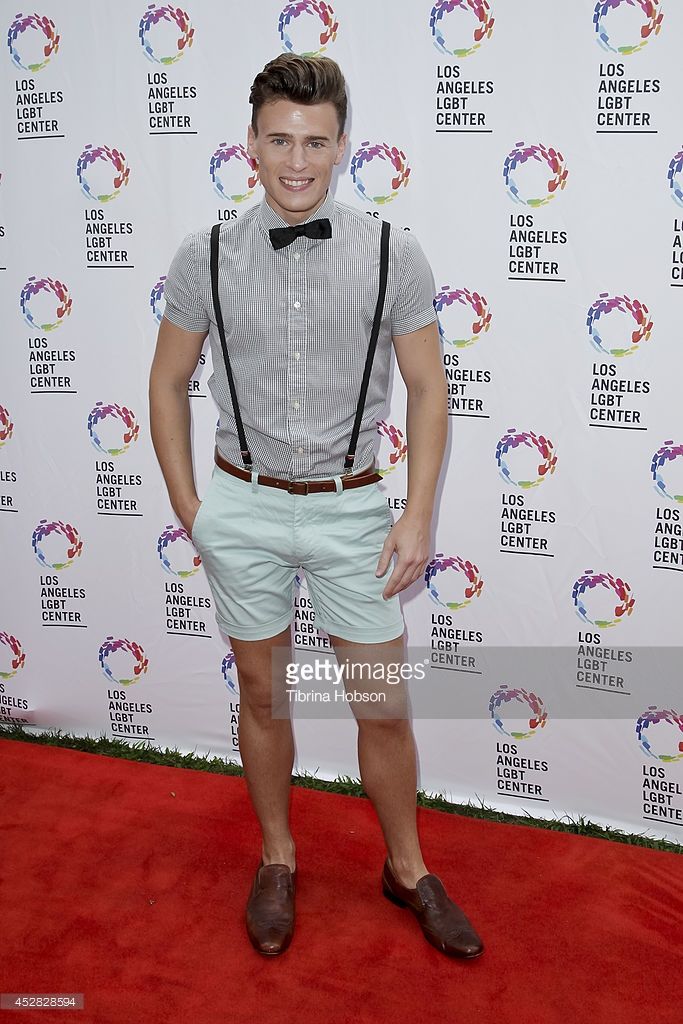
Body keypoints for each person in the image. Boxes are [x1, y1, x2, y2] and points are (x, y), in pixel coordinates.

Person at [149, 53, 484, 960]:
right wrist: (192, 507)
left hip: (352, 511)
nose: (296, 161)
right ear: (250, 143)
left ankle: (406, 869)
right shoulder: (202, 256)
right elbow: (168, 381)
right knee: (262, 696)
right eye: (279, 140)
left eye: (314, 142)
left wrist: (415, 515)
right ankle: (277, 858)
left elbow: (428, 388)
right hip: (243, 508)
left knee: (381, 706)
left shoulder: (391, 252)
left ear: (341, 146)